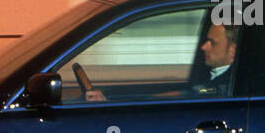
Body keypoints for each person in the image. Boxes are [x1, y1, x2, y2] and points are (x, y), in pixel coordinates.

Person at [83, 20, 239, 102]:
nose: (204, 47)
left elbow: (187, 95)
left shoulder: (225, 85)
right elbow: (182, 92)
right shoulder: (211, 78)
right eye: (206, 41)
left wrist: (111, 101)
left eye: (213, 43)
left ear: (232, 51)